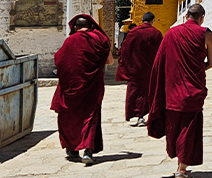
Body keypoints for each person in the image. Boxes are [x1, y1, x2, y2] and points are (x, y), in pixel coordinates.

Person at [147, 4, 212, 178]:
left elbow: (160, 61)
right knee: (189, 128)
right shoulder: (206, 34)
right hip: (193, 89)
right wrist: (196, 70)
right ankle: (182, 171)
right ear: (202, 18)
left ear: (186, 16)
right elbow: (211, 62)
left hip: (173, 90)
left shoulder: (171, 33)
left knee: (175, 127)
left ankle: (180, 165)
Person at [50, 14, 113, 166]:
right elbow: (110, 61)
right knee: (90, 116)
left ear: (76, 27)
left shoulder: (70, 41)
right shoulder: (99, 40)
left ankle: (72, 149)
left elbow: (59, 61)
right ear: (91, 26)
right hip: (91, 87)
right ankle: (88, 151)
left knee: (69, 117)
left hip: (71, 88)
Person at [116, 12, 163, 127]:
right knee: (148, 93)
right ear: (152, 21)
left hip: (135, 69)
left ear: (142, 20)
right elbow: (160, 52)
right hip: (150, 70)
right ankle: (147, 115)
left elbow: (124, 50)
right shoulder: (156, 33)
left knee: (135, 93)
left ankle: (138, 116)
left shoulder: (133, 33)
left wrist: (126, 64)